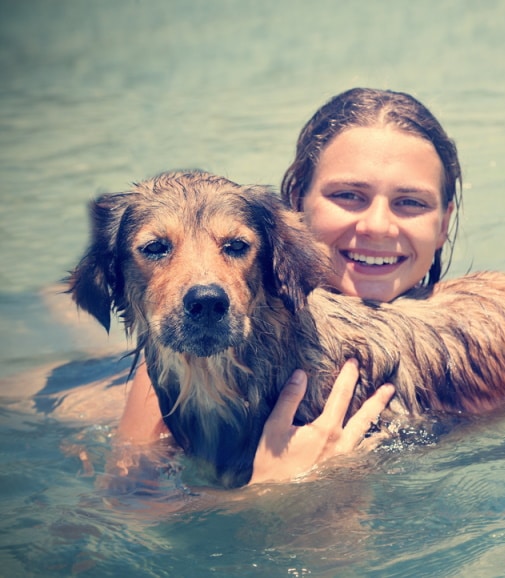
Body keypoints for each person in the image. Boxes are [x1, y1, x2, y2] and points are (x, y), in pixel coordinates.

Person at [117, 87, 463, 484]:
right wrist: (273, 487)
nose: (377, 227)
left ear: (443, 224)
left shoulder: (453, 336)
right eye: (349, 195)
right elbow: (129, 504)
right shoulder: (192, 351)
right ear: (296, 203)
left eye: (411, 202)